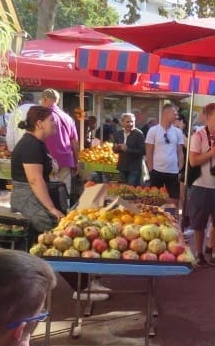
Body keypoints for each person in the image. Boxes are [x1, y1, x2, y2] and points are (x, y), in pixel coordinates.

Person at [11, 107, 107, 302]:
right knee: (58, 234)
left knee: (65, 228)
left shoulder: (37, 143)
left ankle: (85, 281)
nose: (55, 124)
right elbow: (35, 181)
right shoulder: (30, 145)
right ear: (39, 124)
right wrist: (52, 209)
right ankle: (81, 287)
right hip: (27, 198)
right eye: (51, 121)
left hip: (35, 194)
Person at [188, 103, 215, 270]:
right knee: (199, 223)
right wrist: (211, 154)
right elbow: (193, 161)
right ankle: (199, 254)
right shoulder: (198, 136)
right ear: (208, 117)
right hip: (200, 185)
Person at [38, 89, 78, 194]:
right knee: (64, 193)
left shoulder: (42, 116)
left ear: (45, 99)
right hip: (66, 160)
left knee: (47, 193)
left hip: (47, 160)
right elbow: (74, 143)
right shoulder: (68, 118)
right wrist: (76, 162)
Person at [145, 103, 186, 199]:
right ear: (166, 114)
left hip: (173, 172)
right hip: (156, 171)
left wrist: (180, 169)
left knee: (174, 198)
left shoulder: (177, 132)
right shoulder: (153, 130)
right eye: (174, 114)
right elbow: (149, 152)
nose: (177, 116)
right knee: (154, 199)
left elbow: (180, 152)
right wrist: (151, 170)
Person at [113, 113, 145, 186]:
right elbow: (114, 149)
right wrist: (116, 148)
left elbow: (143, 151)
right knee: (122, 189)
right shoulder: (118, 133)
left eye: (132, 122)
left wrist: (128, 150)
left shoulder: (139, 134)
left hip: (134, 168)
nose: (130, 124)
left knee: (131, 189)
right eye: (128, 122)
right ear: (122, 123)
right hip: (122, 167)